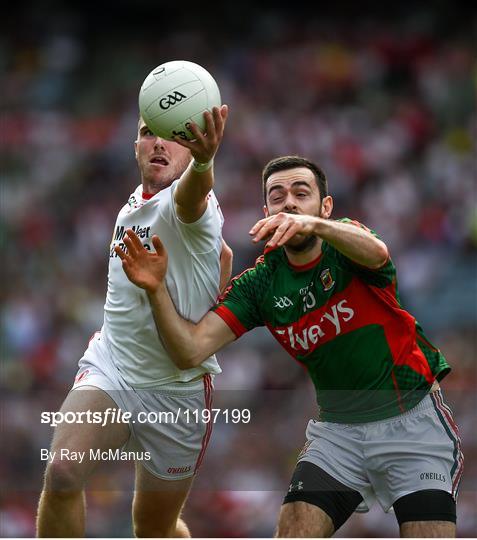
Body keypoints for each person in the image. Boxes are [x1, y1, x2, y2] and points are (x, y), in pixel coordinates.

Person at [115, 155, 464, 538]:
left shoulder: (346, 242)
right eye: (277, 196)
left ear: (325, 206)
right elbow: (190, 350)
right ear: (266, 211)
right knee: (294, 526)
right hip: (339, 433)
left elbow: (378, 253)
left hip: (411, 421)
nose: (290, 203)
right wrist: (156, 289)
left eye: (302, 193)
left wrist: (315, 226)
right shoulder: (261, 284)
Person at [36, 104, 231, 538]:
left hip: (177, 395)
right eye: (148, 133)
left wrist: (204, 162)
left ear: (191, 151)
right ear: (136, 146)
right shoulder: (131, 206)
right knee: (63, 471)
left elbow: (194, 193)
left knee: (153, 529)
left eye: (176, 136)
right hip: (114, 370)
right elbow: (225, 257)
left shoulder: (190, 202)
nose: (159, 142)